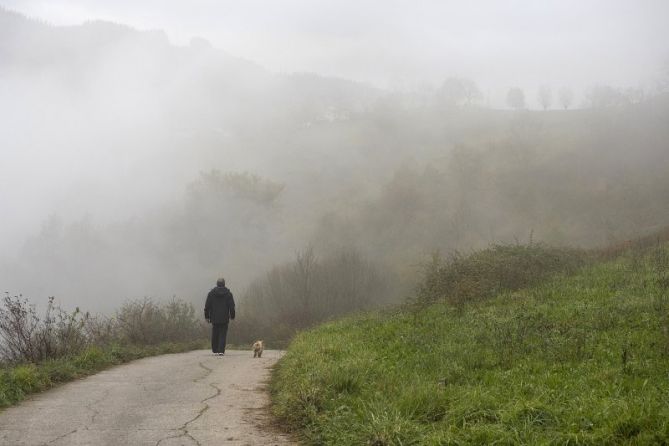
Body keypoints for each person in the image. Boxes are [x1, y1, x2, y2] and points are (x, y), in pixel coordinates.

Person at [204, 277, 235, 355]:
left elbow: (207, 306)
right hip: (224, 317)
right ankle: (221, 350)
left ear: (217, 284)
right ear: (224, 284)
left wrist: (207, 316)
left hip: (214, 317)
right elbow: (231, 306)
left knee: (215, 333)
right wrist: (232, 316)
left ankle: (215, 350)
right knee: (222, 334)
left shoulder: (211, 293)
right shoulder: (228, 294)